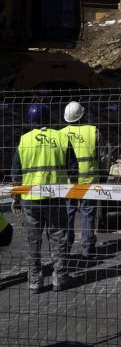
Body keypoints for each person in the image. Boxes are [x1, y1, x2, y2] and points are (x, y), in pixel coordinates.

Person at [12, 103, 74, 292]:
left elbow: (16, 174)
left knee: (32, 239)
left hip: (31, 199)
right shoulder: (61, 137)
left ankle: (35, 281)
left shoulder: (24, 140)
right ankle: (60, 278)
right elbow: (74, 169)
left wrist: (16, 198)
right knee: (58, 237)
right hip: (56, 197)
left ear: (30, 121)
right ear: (49, 119)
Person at [61, 101, 102, 261]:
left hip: (69, 182)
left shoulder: (61, 134)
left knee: (68, 214)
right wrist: (103, 174)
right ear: (82, 115)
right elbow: (102, 155)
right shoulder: (92, 131)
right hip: (88, 179)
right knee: (88, 213)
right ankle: (87, 249)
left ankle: (66, 247)